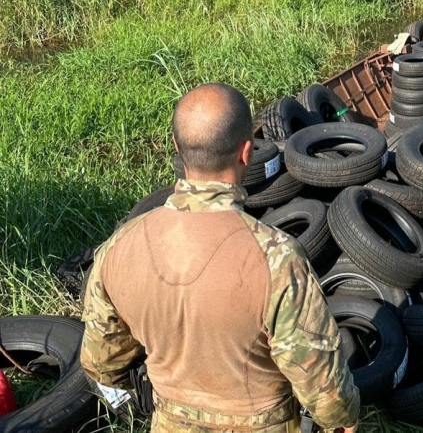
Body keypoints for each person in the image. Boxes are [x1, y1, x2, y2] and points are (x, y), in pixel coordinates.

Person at [80, 83, 360, 433]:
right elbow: (324, 388)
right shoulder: (276, 258)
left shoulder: (119, 246)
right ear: (247, 152)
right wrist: (344, 422)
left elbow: (101, 362)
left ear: (177, 148)